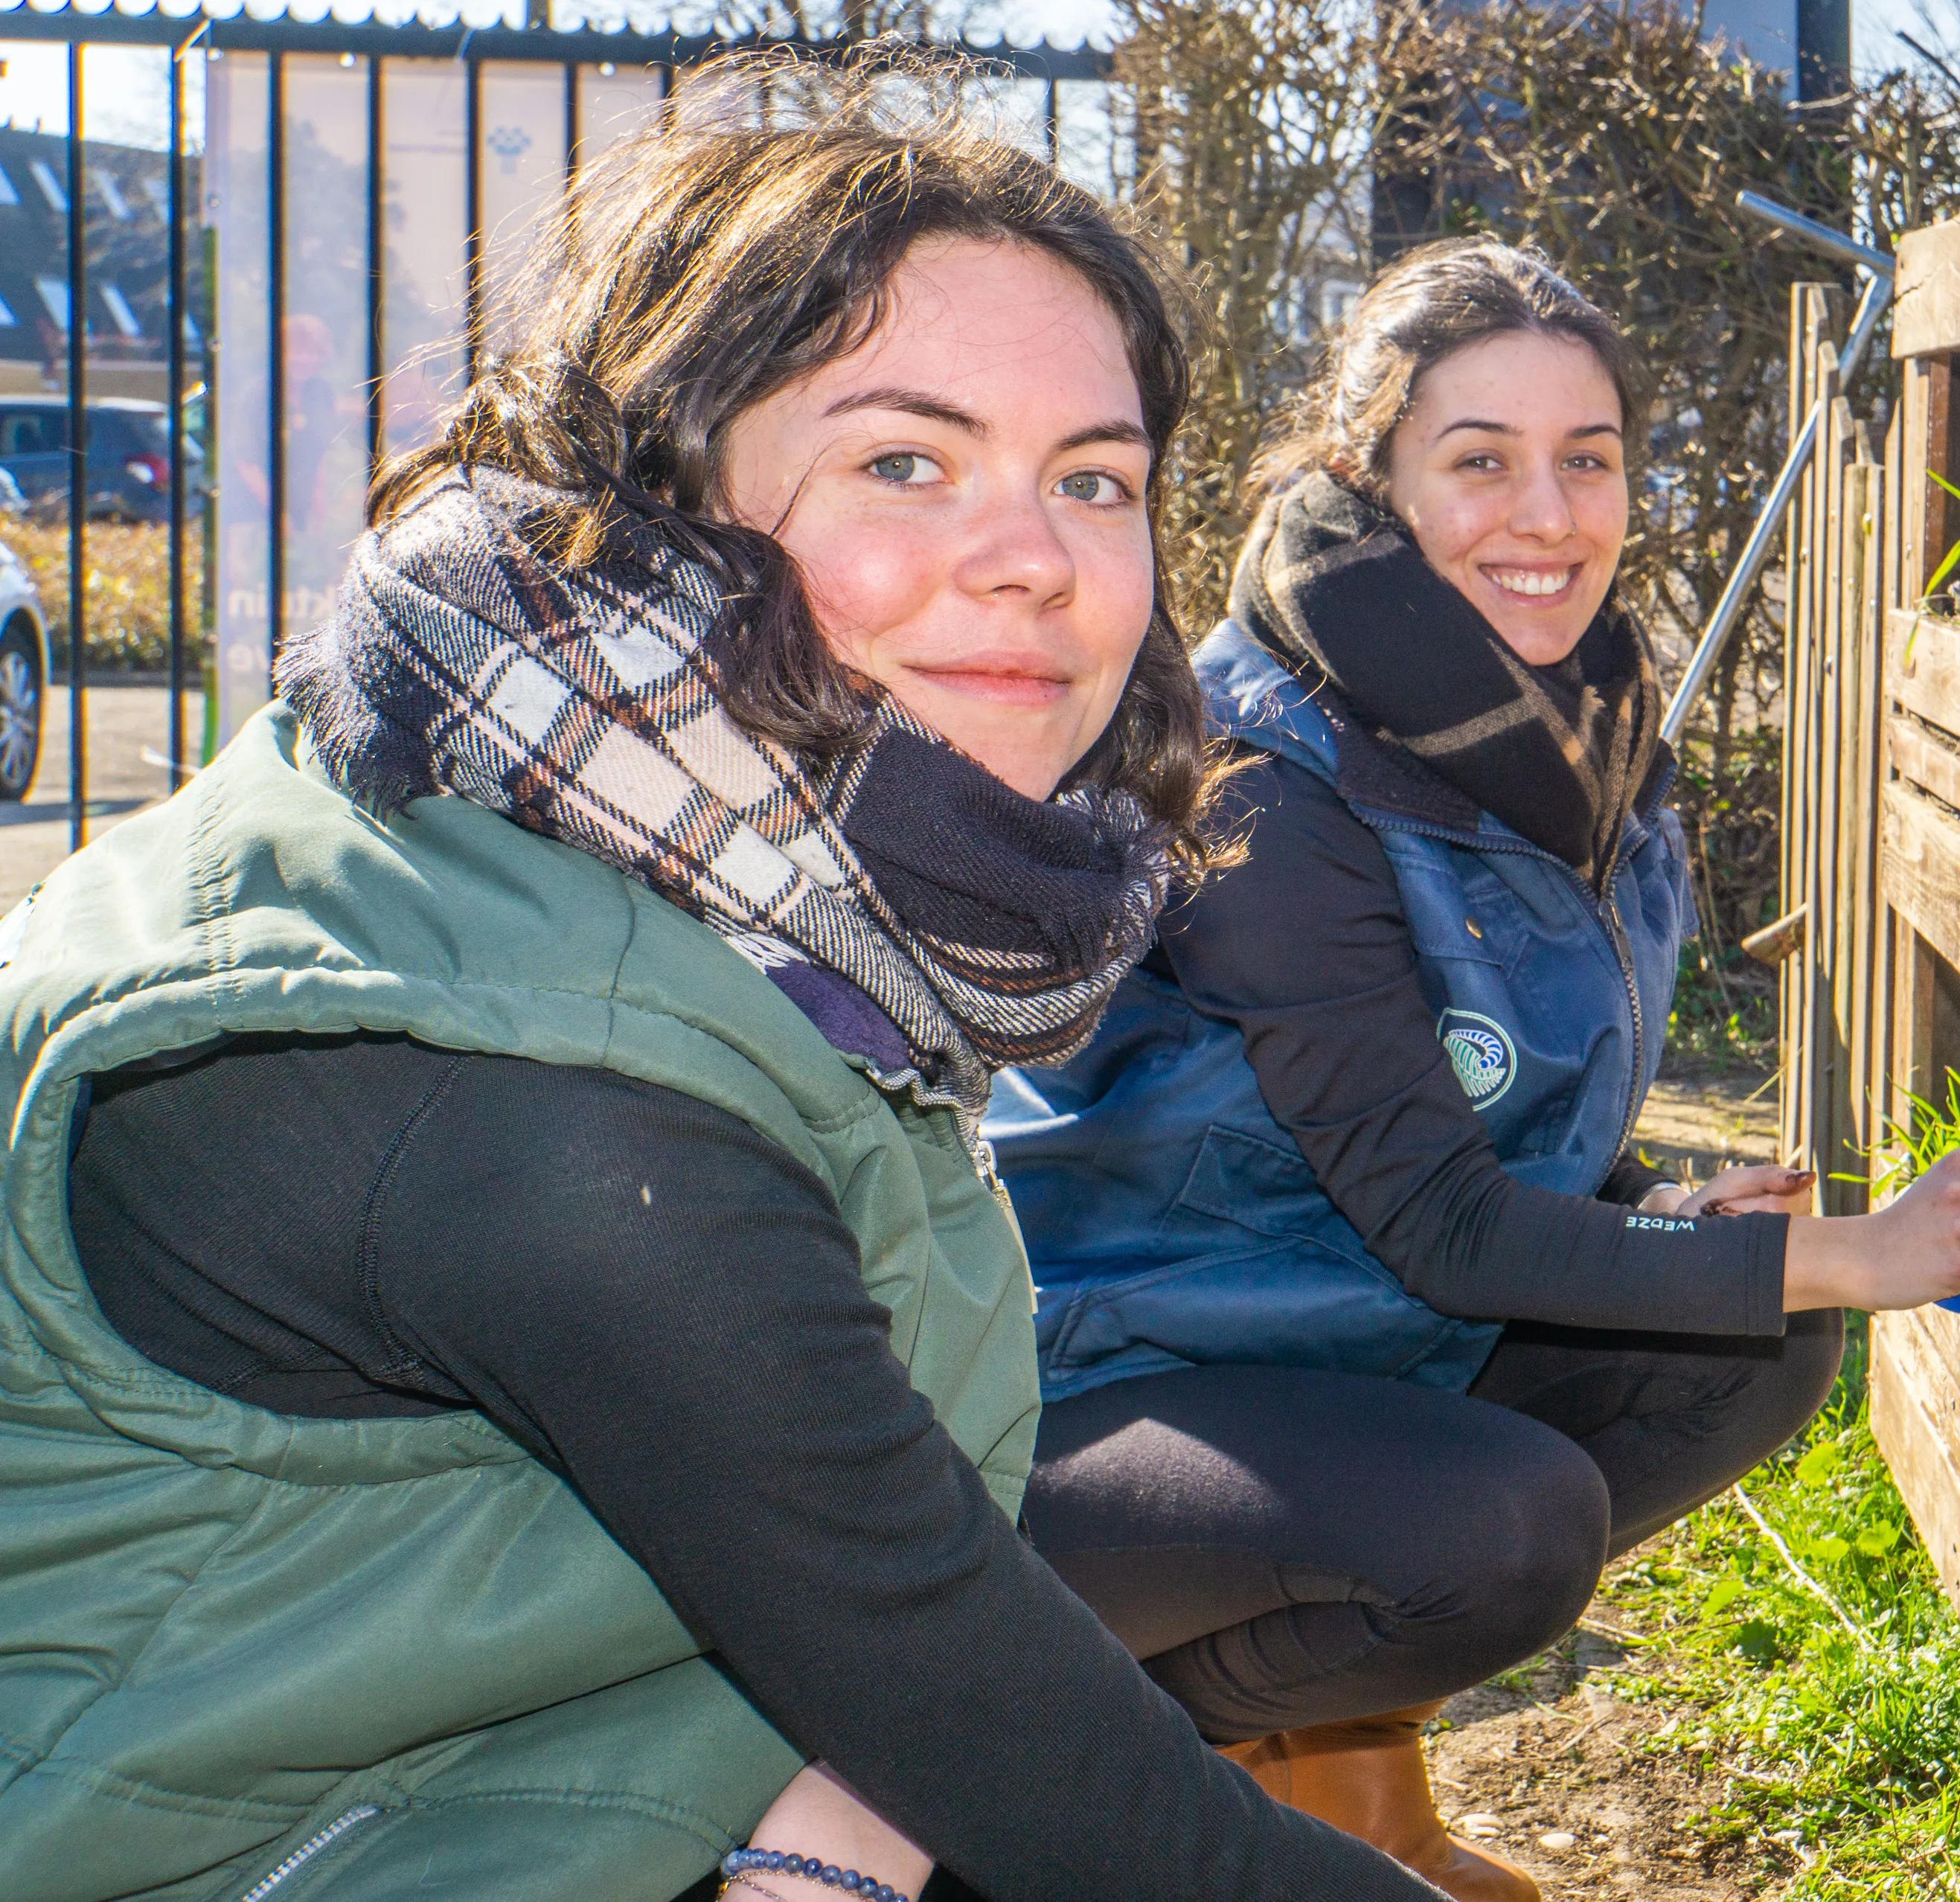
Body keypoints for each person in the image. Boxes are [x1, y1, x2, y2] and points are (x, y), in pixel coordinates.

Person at [0, 54, 1449, 1902]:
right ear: (658, 491)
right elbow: (1066, 1776)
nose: (1035, 562)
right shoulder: (529, 1090)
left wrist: (856, 1794)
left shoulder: (666, 853)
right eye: (903, 460)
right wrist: (888, 1787)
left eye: (1097, 480)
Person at [986, 239, 1960, 1902]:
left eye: (1588, 459)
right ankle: (1090, 1766)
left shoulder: (1582, 728)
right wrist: (1854, 1243)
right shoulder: (1268, 774)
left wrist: (1660, 1211)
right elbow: (1438, 1218)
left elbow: (1484, 1104)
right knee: (1500, 1529)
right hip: (1097, 1384)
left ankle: (1351, 1789)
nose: (1545, 517)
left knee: (1755, 1346)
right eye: (1477, 461)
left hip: (1324, 1336)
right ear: (1368, 479)